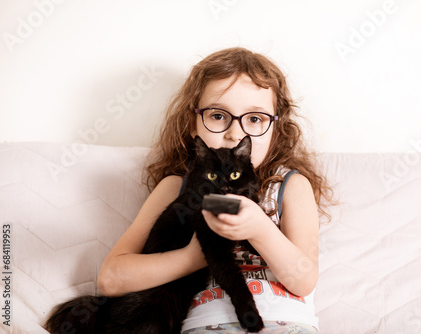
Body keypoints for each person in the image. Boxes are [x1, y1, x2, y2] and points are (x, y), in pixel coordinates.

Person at [97, 47, 332, 333]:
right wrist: (192, 257)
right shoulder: (176, 188)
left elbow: (304, 281)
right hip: (205, 325)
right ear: (193, 123)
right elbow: (110, 279)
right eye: (219, 116)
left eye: (255, 119)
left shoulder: (288, 187)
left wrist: (260, 228)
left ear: (276, 128)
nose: (235, 133)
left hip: (286, 323)